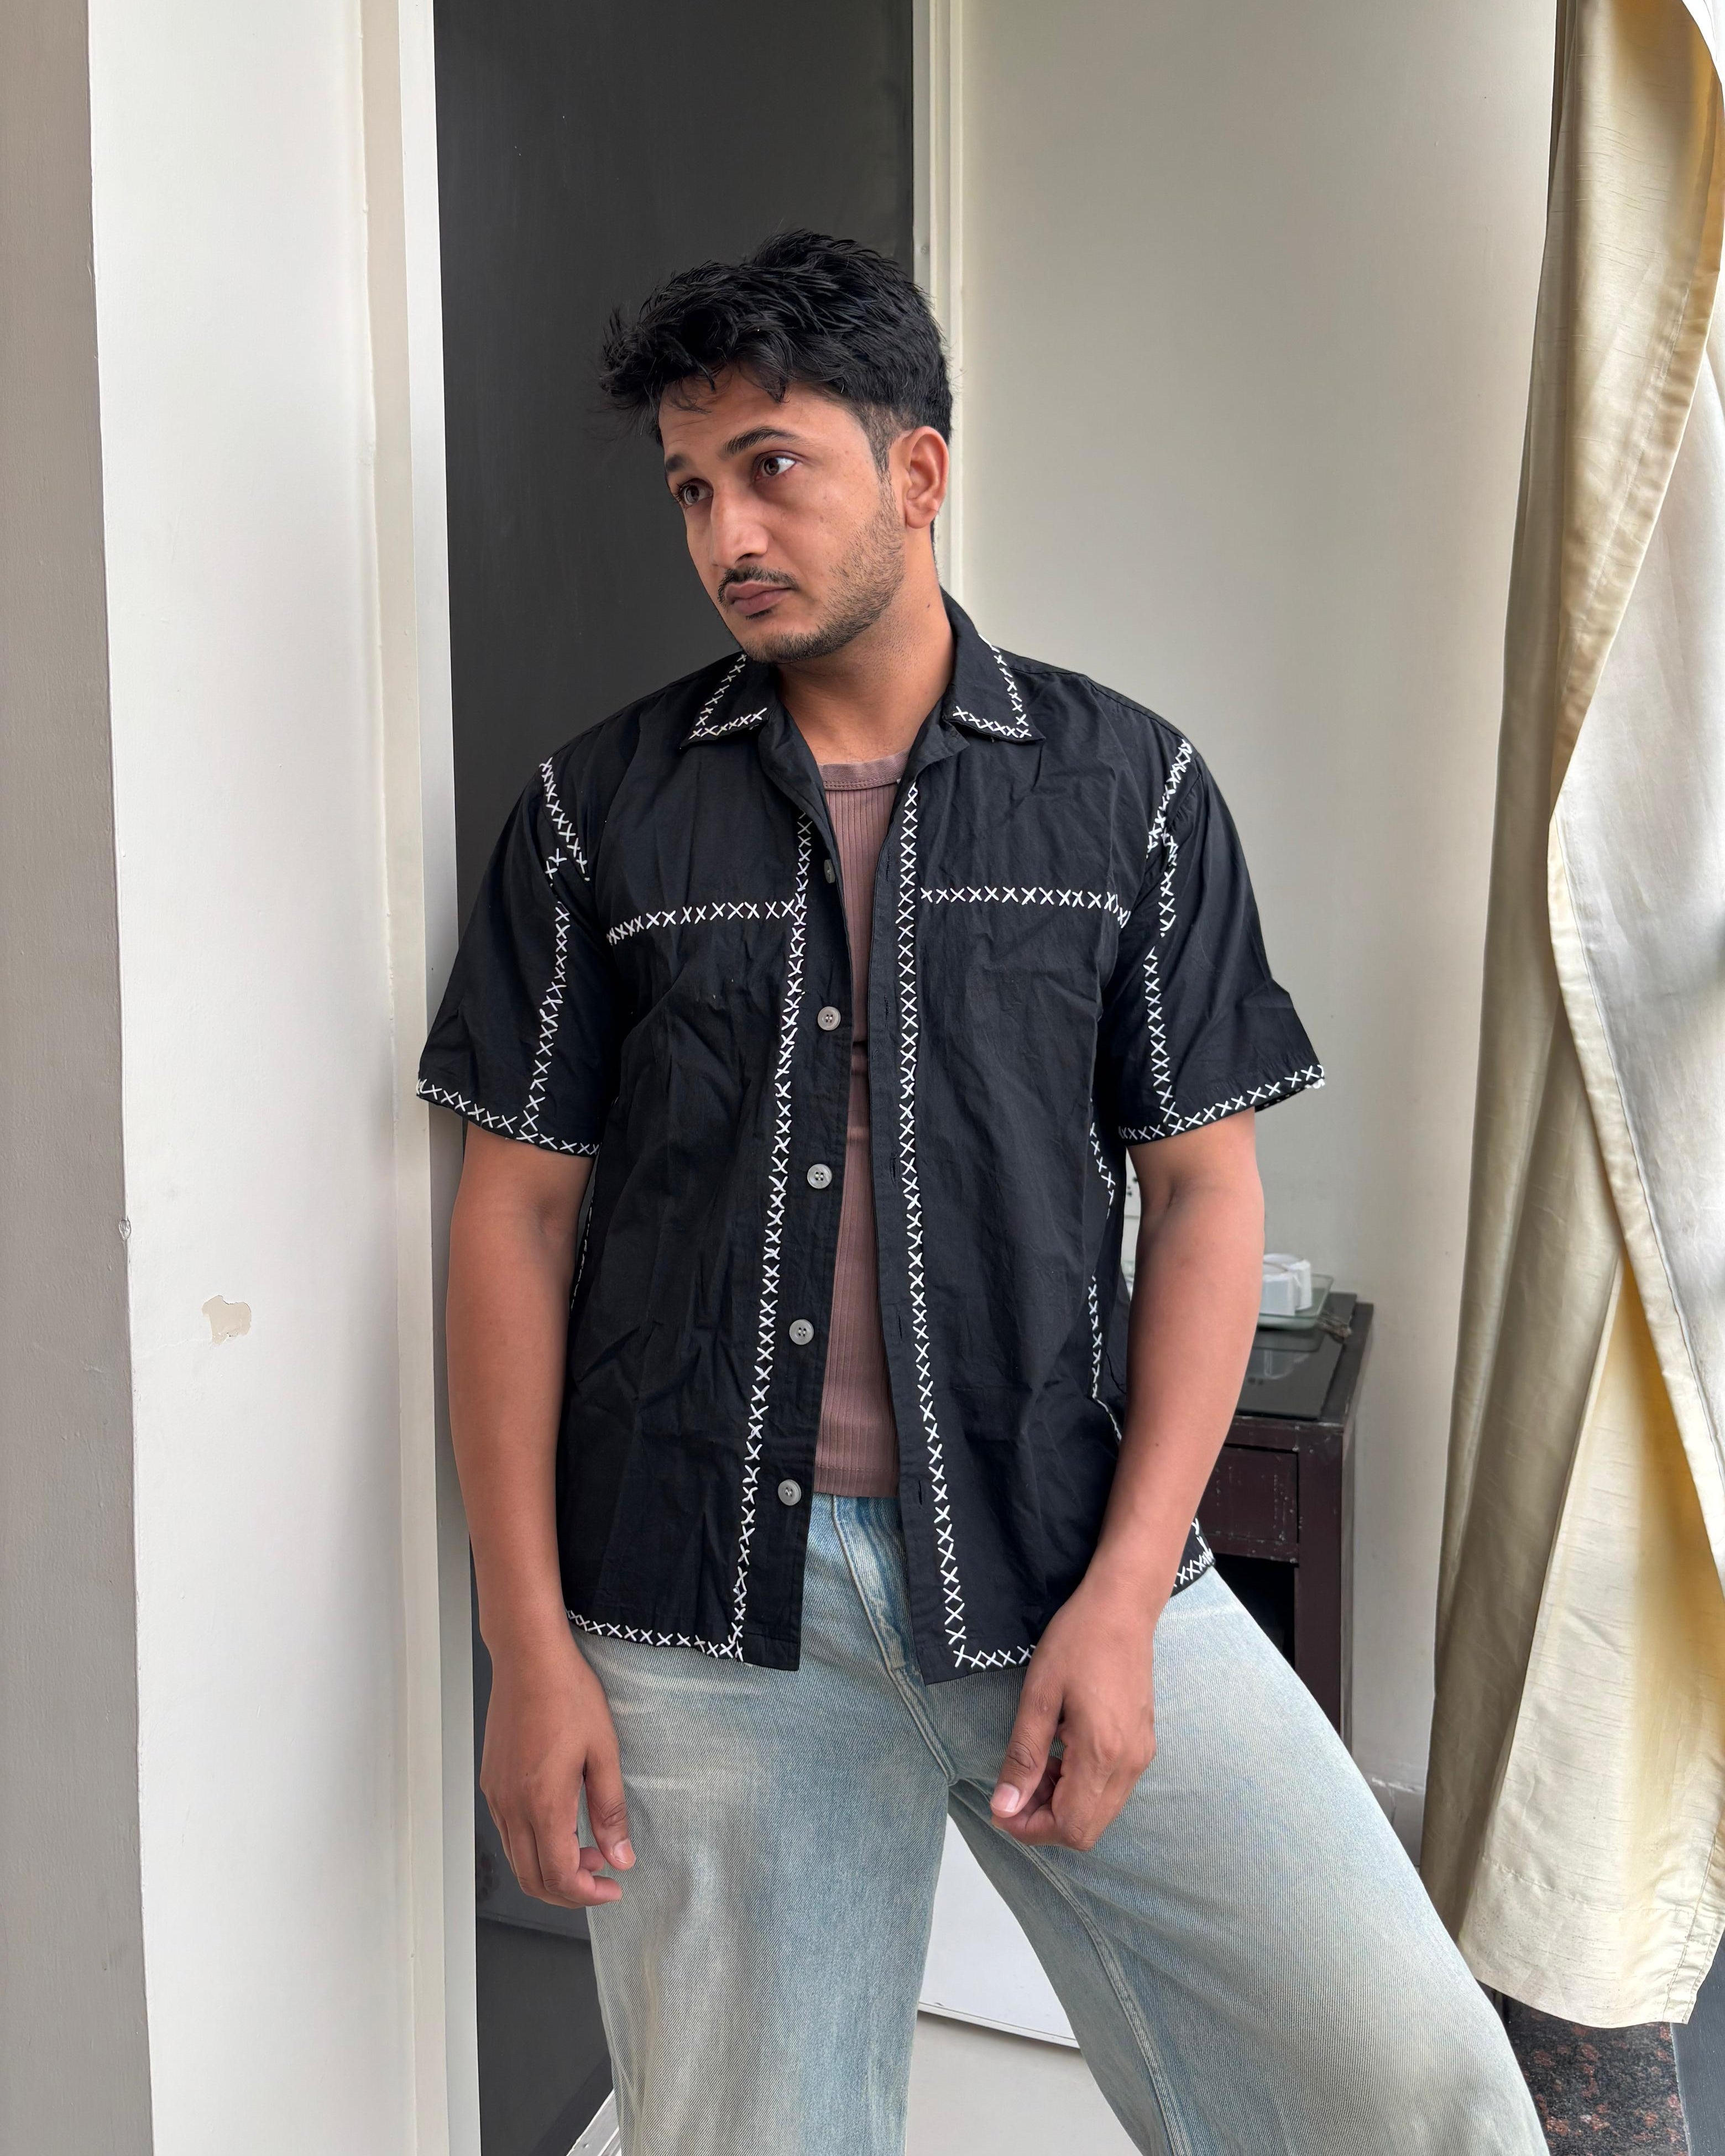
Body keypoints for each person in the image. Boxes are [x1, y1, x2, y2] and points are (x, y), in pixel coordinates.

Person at [419, 232, 1544, 2155]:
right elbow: (511, 1221)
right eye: (690, 488)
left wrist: (1128, 1595)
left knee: (1407, 2078)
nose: (724, 532)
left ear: (918, 470)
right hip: (703, 1612)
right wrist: (528, 1649)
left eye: (772, 467)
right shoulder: (596, 812)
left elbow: (1203, 1197)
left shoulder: (1131, 792)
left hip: (1064, 1550)